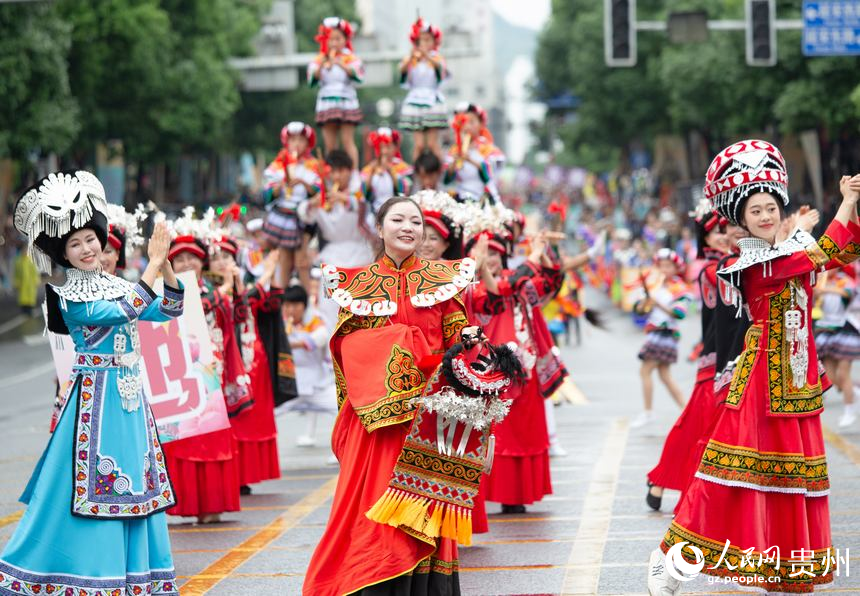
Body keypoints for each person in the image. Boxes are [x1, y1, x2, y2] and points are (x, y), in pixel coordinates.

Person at [649, 139, 860, 595]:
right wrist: (842, 204)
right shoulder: (751, 262)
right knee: (725, 476)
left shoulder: (787, 255)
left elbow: (840, 254)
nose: (765, 216)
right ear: (741, 220)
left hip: (798, 382)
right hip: (761, 381)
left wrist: (851, 208)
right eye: (755, 211)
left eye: (770, 208)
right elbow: (818, 253)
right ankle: (670, 566)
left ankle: (782, 574)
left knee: (792, 483)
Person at [0, 171, 182, 595]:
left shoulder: (119, 283)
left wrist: (166, 265)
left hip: (131, 401)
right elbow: (123, 310)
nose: (86, 249)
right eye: (74, 244)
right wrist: (152, 266)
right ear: (62, 253)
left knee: (137, 487)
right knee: (74, 492)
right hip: (94, 404)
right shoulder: (65, 296)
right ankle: (81, 574)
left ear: (102, 239)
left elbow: (168, 310)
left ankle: (136, 576)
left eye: (90, 239)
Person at [303, 196, 478, 596]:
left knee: (421, 513)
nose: (408, 227)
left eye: (415, 222)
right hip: (377, 423)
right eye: (397, 219)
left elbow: (457, 343)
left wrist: (471, 350)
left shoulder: (443, 280)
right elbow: (346, 349)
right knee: (374, 510)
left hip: (427, 417)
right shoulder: (357, 285)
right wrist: (406, 347)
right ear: (379, 229)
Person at [466, 229, 566, 514]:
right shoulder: (470, 288)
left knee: (524, 429)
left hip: (527, 364)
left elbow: (551, 280)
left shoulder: (519, 280)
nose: (491, 258)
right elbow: (499, 290)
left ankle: (518, 494)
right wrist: (482, 265)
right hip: (489, 368)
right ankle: (494, 493)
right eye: (485, 252)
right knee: (497, 429)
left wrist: (543, 251)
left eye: (495, 253)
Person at [163, 214, 246, 524]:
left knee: (210, 434)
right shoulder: (164, 296)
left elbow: (233, 325)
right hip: (178, 375)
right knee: (183, 436)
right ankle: (186, 501)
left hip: (211, 373)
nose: (186, 263)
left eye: (192, 258)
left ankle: (211, 504)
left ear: (202, 262)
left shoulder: (214, 295)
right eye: (179, 258)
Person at [645, 207, 728, 510]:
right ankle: (674, 483)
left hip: (734, 356)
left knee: (698, 424)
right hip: (717, 359)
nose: (727, 235)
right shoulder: (711, 268)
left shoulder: (727, 262)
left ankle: (664, 480)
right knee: (698, 426)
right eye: (720, 231)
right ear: (705, 236)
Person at [209, 236, 283, 495]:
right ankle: (231, 474)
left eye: (226, 257)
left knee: (249, 418)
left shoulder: (242, 288)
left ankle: (245, 474)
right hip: (221, 360)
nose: (220, 263)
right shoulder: (208, 291)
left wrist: (270, 272)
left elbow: (269, 301)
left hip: (252, 360)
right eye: (215, 258)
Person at [298, 148, 374, 329]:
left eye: (342, 170)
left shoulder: (359, 192)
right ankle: (330, 353)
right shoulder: (322, 196)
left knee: (359, 306)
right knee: (330, 306)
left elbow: (369, 214)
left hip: (360, 256)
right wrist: (313, 203)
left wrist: (345, 200)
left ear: (349, 171)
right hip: (332, 258)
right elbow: (303, 215)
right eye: (333, 171)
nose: (338, 176)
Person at [631, 248, 692, 428]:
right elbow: (640, 311)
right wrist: (644, 304)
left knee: (645, 371)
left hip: (664, 333)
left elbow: (679, 313)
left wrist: (657, 303)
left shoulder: (680, 287)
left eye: (668, 266)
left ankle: (648, 412)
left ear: (676, 268)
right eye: (661, 266)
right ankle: (687, 411)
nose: (664, 269)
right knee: (665, 375)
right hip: (656, 331)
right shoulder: (655, 284)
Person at [262, 121, 322, 289]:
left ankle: (308, 303)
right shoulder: (277, 164)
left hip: (303, 218)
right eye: (292, 139)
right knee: (284, 261)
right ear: (286, 142)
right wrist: (280, 186)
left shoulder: (314, 165)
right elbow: (267, 194)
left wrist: (303, 183)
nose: (296, 143)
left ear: (307, 142)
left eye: (300, 140)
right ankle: (283, 301)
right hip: (282, 216)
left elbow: (319, 191)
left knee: (302, 261)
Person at [277, 284, 337, 447]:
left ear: (304, 306)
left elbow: (321, 338)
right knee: (267, 415)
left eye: (295, 305)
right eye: (287, 305)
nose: (291, 310)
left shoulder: (314, 321)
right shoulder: (279, 323)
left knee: (344, 411)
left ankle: (342, 454)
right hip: (289, 386)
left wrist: (292, 343)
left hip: (318, 384)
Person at [308, 16, 363, 167]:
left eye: (338, 39)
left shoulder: (350, 57)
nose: (334, 43)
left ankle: (353, 175)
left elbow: (358, 75)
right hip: (327, 102)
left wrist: (340, 64)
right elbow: (312, 79)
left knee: (347, 141)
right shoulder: (320, 59)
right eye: (330, 39)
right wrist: (323, 65)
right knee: (330, 144)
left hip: (346, 100)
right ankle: (332, 175)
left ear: (345, 39)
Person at [813, 266, 860, 427]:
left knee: (843, 374)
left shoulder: (844, 281)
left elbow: (848, 293)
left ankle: (849, 411)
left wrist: (824, 289)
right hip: (826, 328)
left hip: (845, 328)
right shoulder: (820, 282)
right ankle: (853, 391)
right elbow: (814, 305)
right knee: (830, 376)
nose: (826, 270)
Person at [398, 18, 449, 159]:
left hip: (433, 100)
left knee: (433, 144)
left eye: (428, 40)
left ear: (434, 42)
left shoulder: (437, 58)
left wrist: (427, 56)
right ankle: (416, 177)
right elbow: (402, 74)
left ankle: (437, 177)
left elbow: (442, 72)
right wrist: (410, 57)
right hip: (415, 100)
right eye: (422, 40)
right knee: (419, 145)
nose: (425, 43)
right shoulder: (411, 59)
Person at [444, 102, 504, 204]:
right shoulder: (454, 150)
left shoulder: (489, 150)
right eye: (463, 122)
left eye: (471, 122)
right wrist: (454, 163)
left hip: (484, 197)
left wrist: (469, 160)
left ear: (481, 124)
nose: (467, 126)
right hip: (460, 197)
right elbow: (447, 180)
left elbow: (490, 176)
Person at [361, 127, 413, 218]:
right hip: (374, 215)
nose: (384, 151)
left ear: (395, 147)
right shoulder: (369, 169)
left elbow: (406, 191)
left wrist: (390, 171)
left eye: (388, 146)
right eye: (381, 147)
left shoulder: (404, 168)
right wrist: (372, 173)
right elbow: (363, 194)